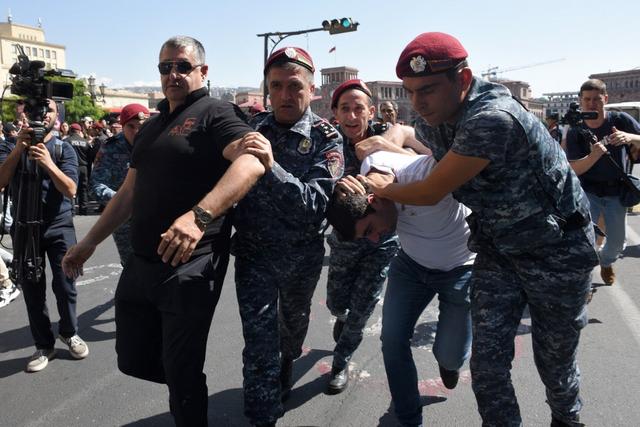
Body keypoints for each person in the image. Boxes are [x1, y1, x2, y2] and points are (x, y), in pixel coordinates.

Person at [367, 32, 598, 427]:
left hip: (556, 251)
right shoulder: (440, 116)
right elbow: (411, 139)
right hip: (499, 249)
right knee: (488, 366)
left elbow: (432, 188)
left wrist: (381, 185)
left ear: (464, 79)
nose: (417, 103)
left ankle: (567, 419)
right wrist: (386, 140)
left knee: (554, 364)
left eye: (427, 90)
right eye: (409, 92)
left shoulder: (492, 119)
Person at [62, 35, 270, 426]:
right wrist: (89, 243)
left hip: (188, 267)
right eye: (165, 67)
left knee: (183, 373)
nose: (172, 74)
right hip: (141, 264)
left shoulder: (216, 113)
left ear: (203, 71)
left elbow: (252, 163)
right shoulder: (152, 125)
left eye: (182, 66)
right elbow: (128, 191)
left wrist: (198, 217)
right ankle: (179, 381)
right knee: (134, 356)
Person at [232, 46, 343, 427]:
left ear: (311, 89)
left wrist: (271, 165)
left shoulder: (328, 139)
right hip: (254, 256)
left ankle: (288, 360)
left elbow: (314, 204)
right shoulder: (253, 130)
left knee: (291, 330)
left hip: (301, 257)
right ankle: (263, 415)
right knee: (258, 343)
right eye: (275, 86)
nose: (283, 95)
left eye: (293, 86)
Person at [327, 150, 474, 427]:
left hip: (460, 269)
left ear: (375, 199)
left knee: (451, 355)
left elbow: (405, 133)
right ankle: (408, 419)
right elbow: (382, 142)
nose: (374, 239)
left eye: (369, 228)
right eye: (366, 235)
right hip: (410, 267)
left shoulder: (428, 173)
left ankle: (448, 362)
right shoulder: (371, 167)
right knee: (392, 340)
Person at [324, 79, 404, 395]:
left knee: (362, 308)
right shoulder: (325, 145)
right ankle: (341, 316)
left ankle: (340, 362)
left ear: (371, 111)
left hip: (382, 239)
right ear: (335, 113)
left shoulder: (383, 139)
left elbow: (419, 159)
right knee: (336, 302)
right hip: (345, 239)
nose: (353, 116)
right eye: (345, 109)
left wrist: (389, 149)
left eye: (359, 108)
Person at [0, 99, 88, 372]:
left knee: (65, 284)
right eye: (37, 110)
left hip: (59, 226)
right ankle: (44, 345)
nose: (42, 115)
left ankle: (69, 331)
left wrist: (49, 163)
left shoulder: (64, 148)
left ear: (56, 116)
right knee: (32, 290)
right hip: (25, 228)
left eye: (48, 110)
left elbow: (71, 190)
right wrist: (18, 151)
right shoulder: (10, 147)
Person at [566, 79, 640, 286]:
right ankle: (585, 285)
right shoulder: (575, 131)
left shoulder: (620, 120)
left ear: (605, 99)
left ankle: (606, 262)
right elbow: (573, 168)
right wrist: (593, 156)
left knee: (616, 244)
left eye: (596, 99)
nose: (591, 104)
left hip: (617, 192)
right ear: (580, 101)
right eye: (587, 100)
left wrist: (630, 137)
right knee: (584, 241)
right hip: (588, 191)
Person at [91, 103, 150, 265]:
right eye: (131, 126)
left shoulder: (156, 144)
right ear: (122, 126)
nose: (137, 131)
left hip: (155, 217)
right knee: (132, 268)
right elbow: (97, 184)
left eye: (141, 126)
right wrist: (121, 201)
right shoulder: (111, 148)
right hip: (125, 220)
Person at [66, 123, 92, 215]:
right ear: (79, 131)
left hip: (71, 167)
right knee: (83, 189)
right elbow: (90, 158)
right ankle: (83, 209)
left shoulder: (67, 141)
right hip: (83, 168)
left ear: (71, 130)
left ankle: (71, 210)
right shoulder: (85, 142)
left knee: (71, 188)